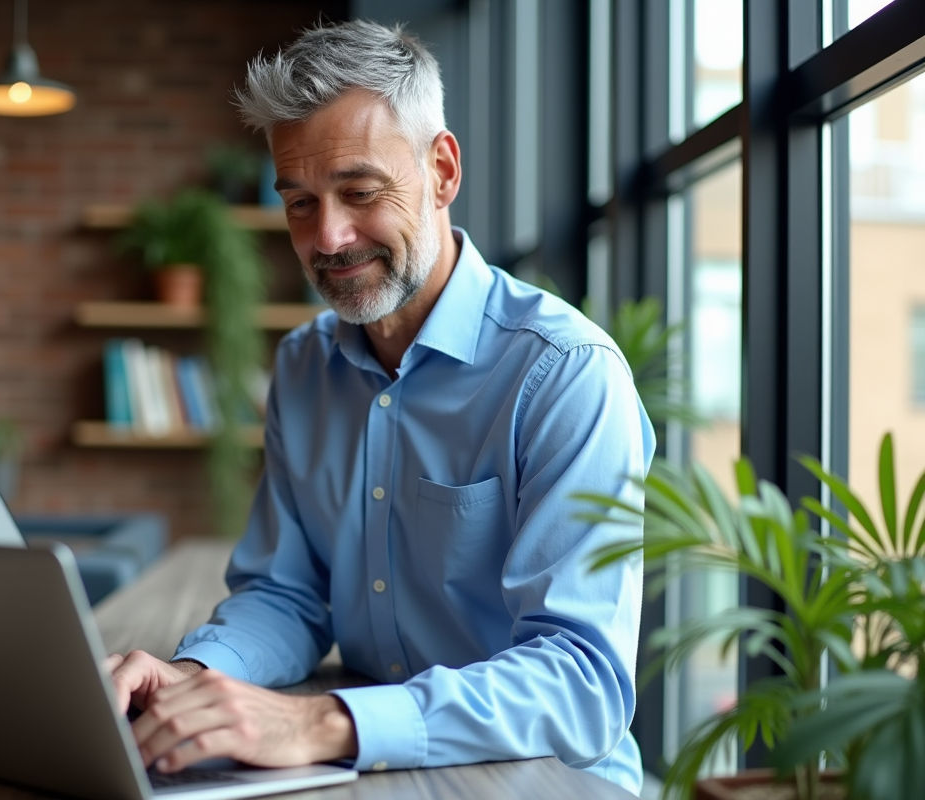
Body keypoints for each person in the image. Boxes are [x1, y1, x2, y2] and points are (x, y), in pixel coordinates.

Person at [109, 19, 654, 795]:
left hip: (542, 782)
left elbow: (582, 683)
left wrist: (321, 723)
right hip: (374, 771)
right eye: (300, 203)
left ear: (442, 171)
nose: (329, 237)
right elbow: (287, 594)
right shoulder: (303, 365)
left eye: (360, 193)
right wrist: (195, 677)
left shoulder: (566, 375)